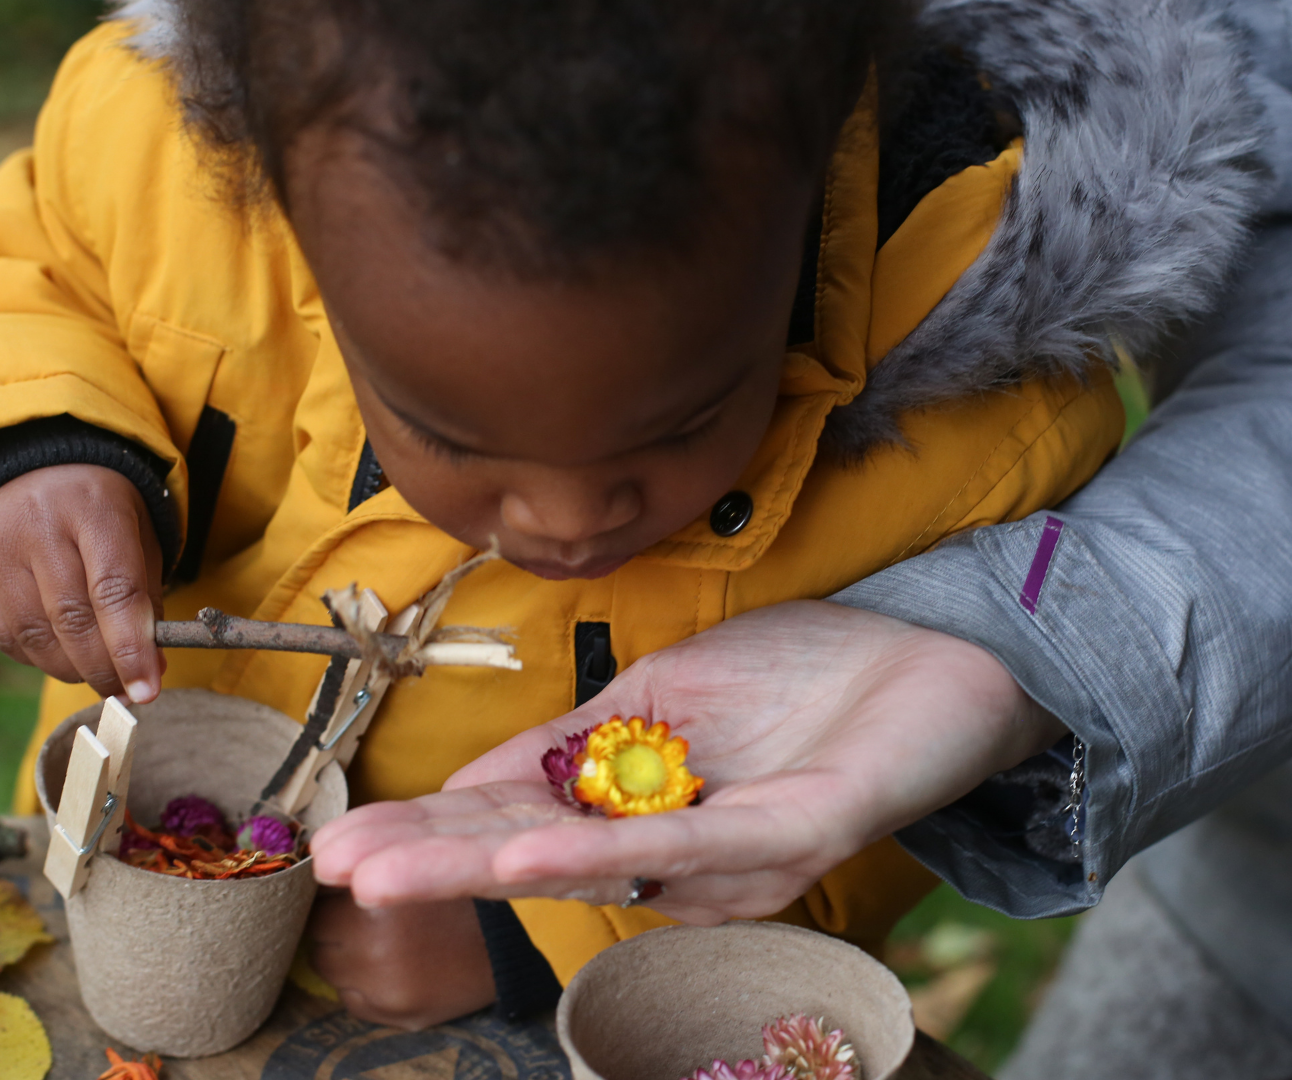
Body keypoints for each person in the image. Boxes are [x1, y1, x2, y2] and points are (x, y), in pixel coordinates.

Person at [0, 0, 1262, 1032]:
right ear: (273, 185)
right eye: (453, 432)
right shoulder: (159, 160)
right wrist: (47, 445)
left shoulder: (973, 428)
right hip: (111, 895)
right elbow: (37, 261)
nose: (562, 518)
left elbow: (869, 802)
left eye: (677, 427)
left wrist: (544, 935)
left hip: (534, 1022)